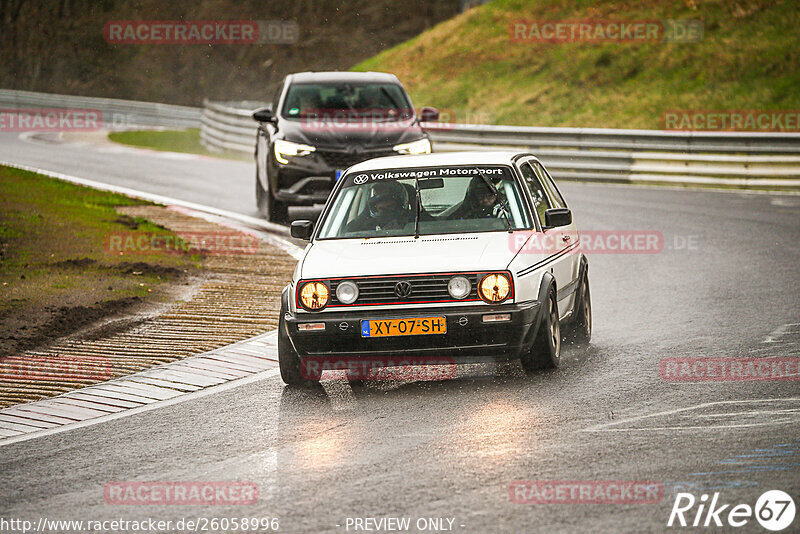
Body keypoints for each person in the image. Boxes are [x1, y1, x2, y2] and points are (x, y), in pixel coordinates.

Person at [344, 181, 414, 233]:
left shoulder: (414, 221)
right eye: (375, 195)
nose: (380, 203)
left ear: (397, 201)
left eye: (386, 199)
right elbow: (348, 233)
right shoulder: (366, 221)